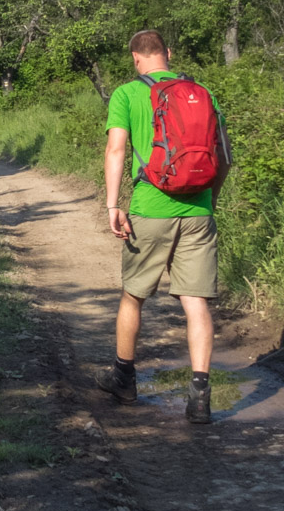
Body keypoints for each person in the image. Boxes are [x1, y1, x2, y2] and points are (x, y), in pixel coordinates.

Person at [95, 29, 224, 424]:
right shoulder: (203, 92)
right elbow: (224, 158)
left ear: (135, 58)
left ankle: (124, 378)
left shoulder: (126, 94)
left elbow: (117, 149)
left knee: (133, 295)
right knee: (195, 301)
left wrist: (113, 203)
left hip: (150, 208)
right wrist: (209, 203)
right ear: (169, 53)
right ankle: (200, 398)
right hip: (198, 210)